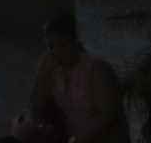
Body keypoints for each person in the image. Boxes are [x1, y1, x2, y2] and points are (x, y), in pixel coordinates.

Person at [10, 12, 129, 143]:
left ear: (75, 42)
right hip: (69, 136)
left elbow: (109, 116)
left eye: (61, 45)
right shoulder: (54, 68)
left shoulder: (95, 69)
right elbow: (37, 108)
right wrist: (41, 73)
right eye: (51, 47)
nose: (56, 51)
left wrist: (78, 138)